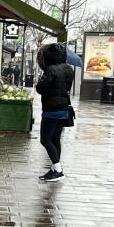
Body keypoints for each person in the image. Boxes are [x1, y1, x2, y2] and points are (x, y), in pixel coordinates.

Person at [36, 43, 74, 182]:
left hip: (51, 109)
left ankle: (58, 169)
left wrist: (40, 80)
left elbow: (41, 88)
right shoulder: (68, 69)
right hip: (64, 108)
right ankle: (54, 168)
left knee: (45, 140)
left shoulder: (50, 70)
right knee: (55, 139)